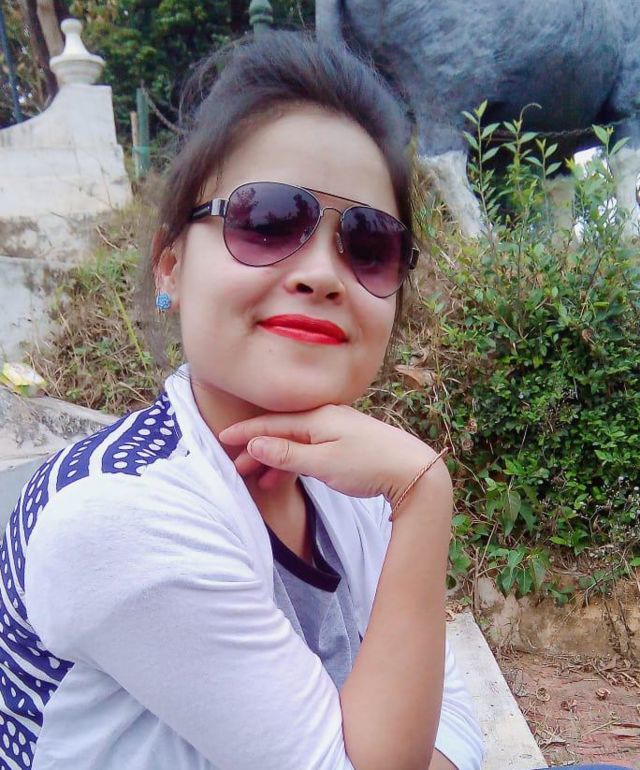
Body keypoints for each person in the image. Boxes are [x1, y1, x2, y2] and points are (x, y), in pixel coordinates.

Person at [0, 31, 631, 770]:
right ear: (170, 266)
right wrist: (425, 496)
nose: (323, 274)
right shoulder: (119, 514)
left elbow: (449, 721)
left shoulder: (344, 475)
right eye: (267, 221)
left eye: (368, 244)